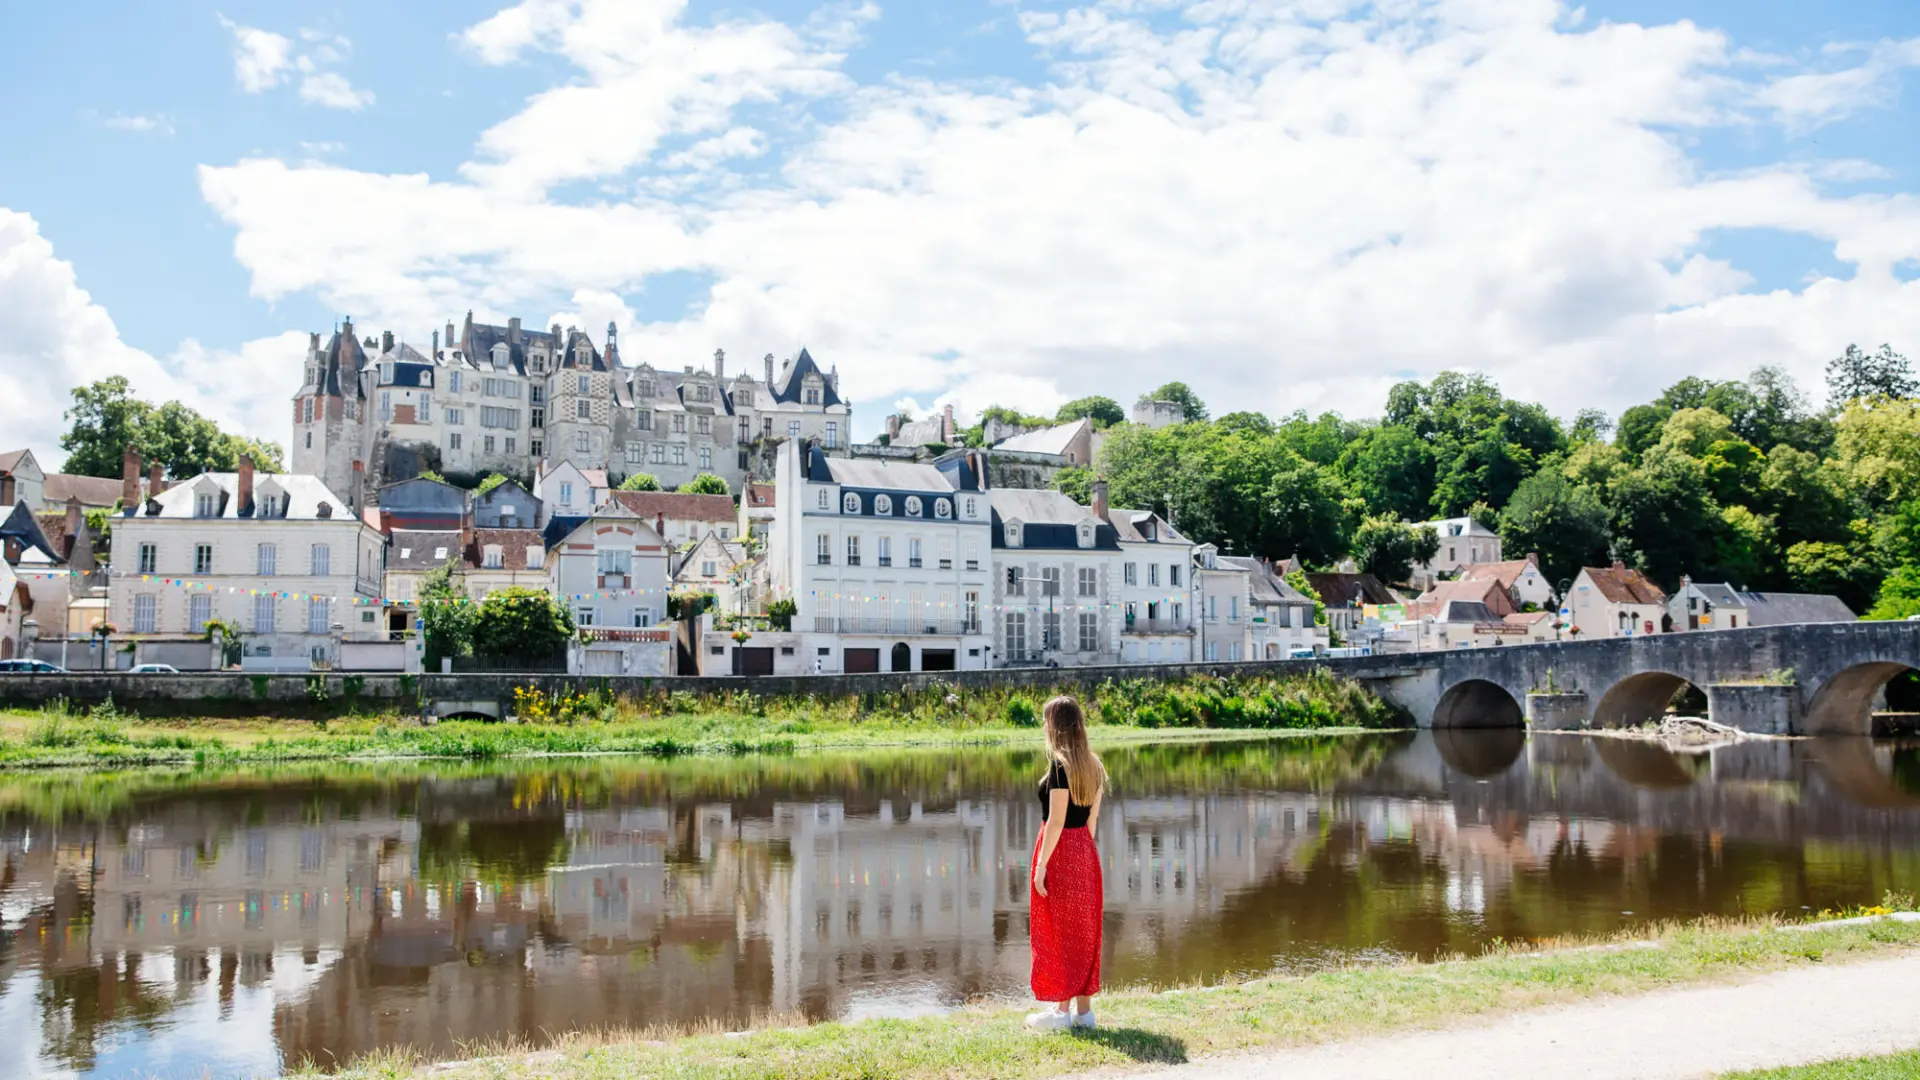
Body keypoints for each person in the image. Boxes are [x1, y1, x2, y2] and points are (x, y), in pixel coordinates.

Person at [1026, 695, 1107, 1031]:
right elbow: (1091, 822)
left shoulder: (1061, 765)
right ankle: (1083, 1013)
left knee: (1059, 929)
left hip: (1059, 851)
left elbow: (1056, 821)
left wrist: (1042, 865)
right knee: (1084, 931)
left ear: (1055, 726)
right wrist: (1082, 852)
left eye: (1047, 721)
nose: (1044, 727)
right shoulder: (1094, 764)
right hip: (1085, 851)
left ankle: (1060, 1013)